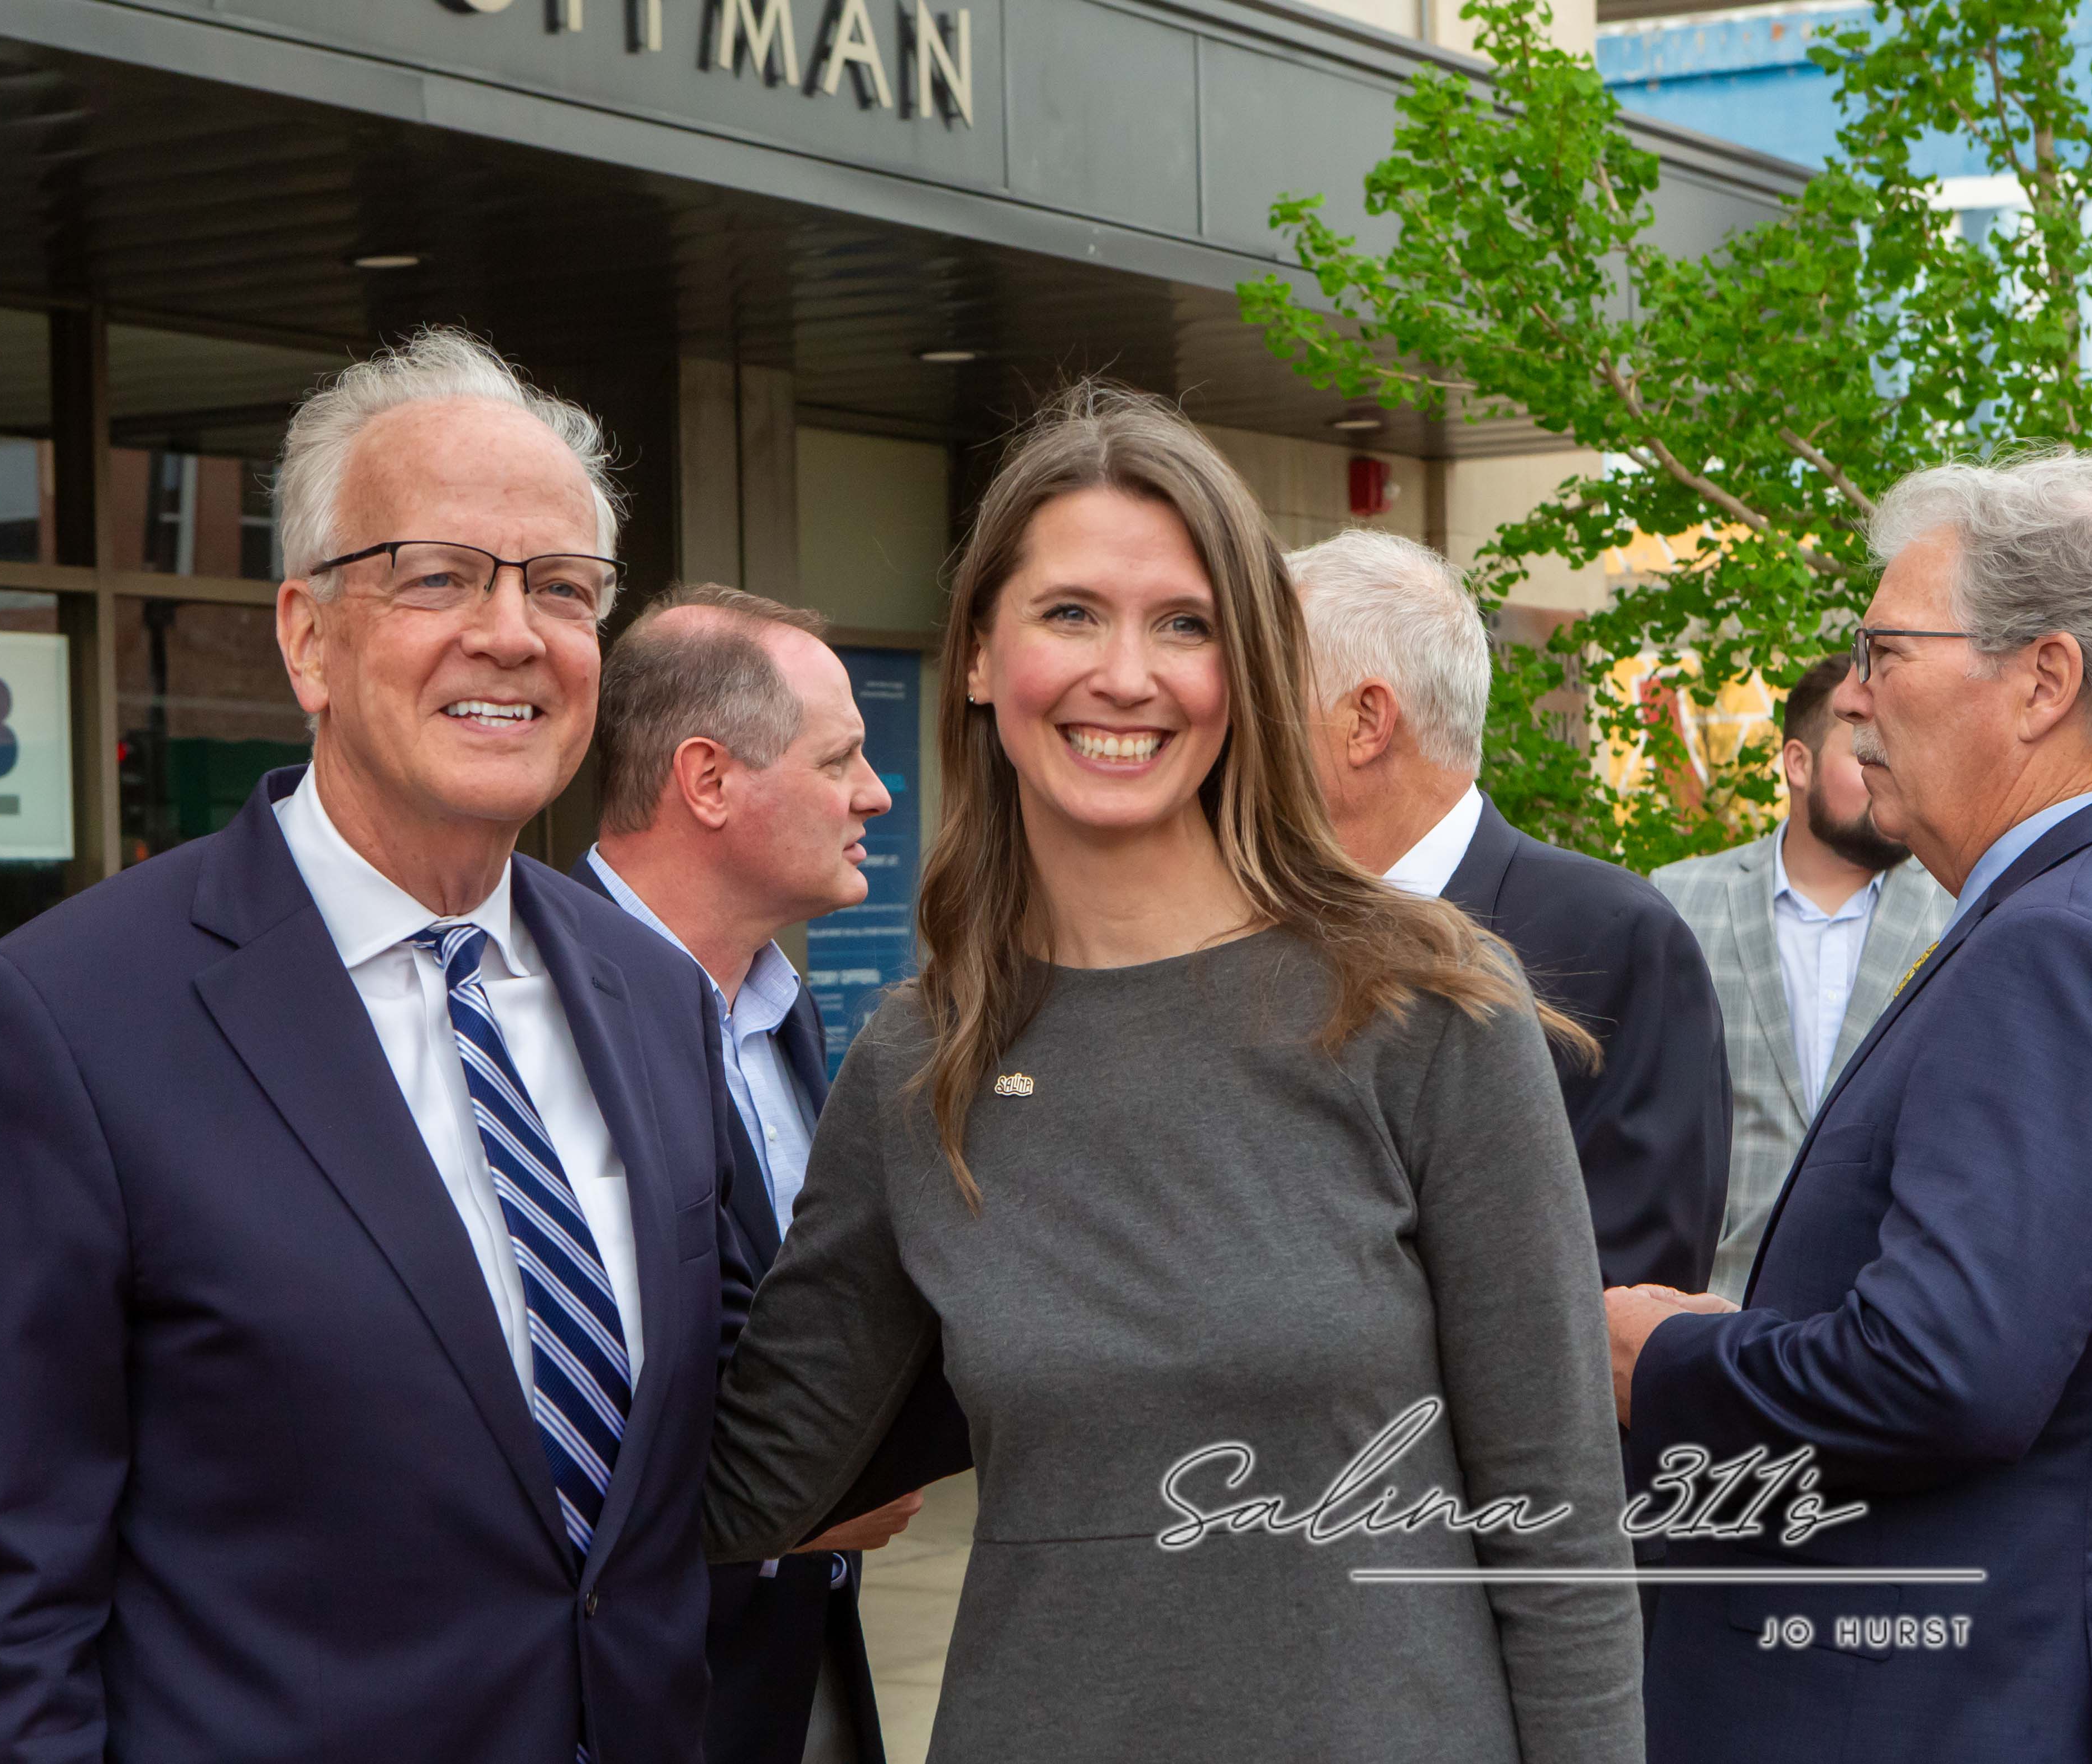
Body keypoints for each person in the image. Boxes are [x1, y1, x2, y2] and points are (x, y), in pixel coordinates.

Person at [703, 383, 1644, 1763]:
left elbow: (1557, 1523)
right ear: (977, 655)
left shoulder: (1424, 1011)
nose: (1127, 674)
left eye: (1184, 624)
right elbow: (744, 1486)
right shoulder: (923, 1062)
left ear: (1243, 670)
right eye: (1072, 612)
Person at [0, 329, 758, 1761]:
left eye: (561, 587)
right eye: (439, 576)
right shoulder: (63, 1023)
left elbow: (707, 1437)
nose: (512, 632)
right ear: (307, 636)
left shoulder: (651, 994)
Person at [1613, 450, 2092, 1764]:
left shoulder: (2048, 942)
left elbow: (1943, 1375)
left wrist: (1665, 1357)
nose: (1858, 695)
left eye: (1884, 649)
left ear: (2042, 682)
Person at [583, 583, 925, 1764]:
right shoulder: (532, 1020)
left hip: (797, 1668)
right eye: (842, 760)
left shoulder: (788, 1015)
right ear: (709, 780)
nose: (878, 794)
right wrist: (803, 1507)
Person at [1287, 530, 1731, 1292]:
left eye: (1259, 691)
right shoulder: (1240, 923)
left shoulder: (1611, 940)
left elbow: (1618, 1305)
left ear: (1364, 722)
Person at [1651, 654, 1949, 1302]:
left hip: (1883, 1321)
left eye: (1894, 748)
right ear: (1796, 763)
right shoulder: (1678, 902)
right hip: (1710, 1313)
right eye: (1863, 750)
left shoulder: (1958, 916)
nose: (1885, 768)